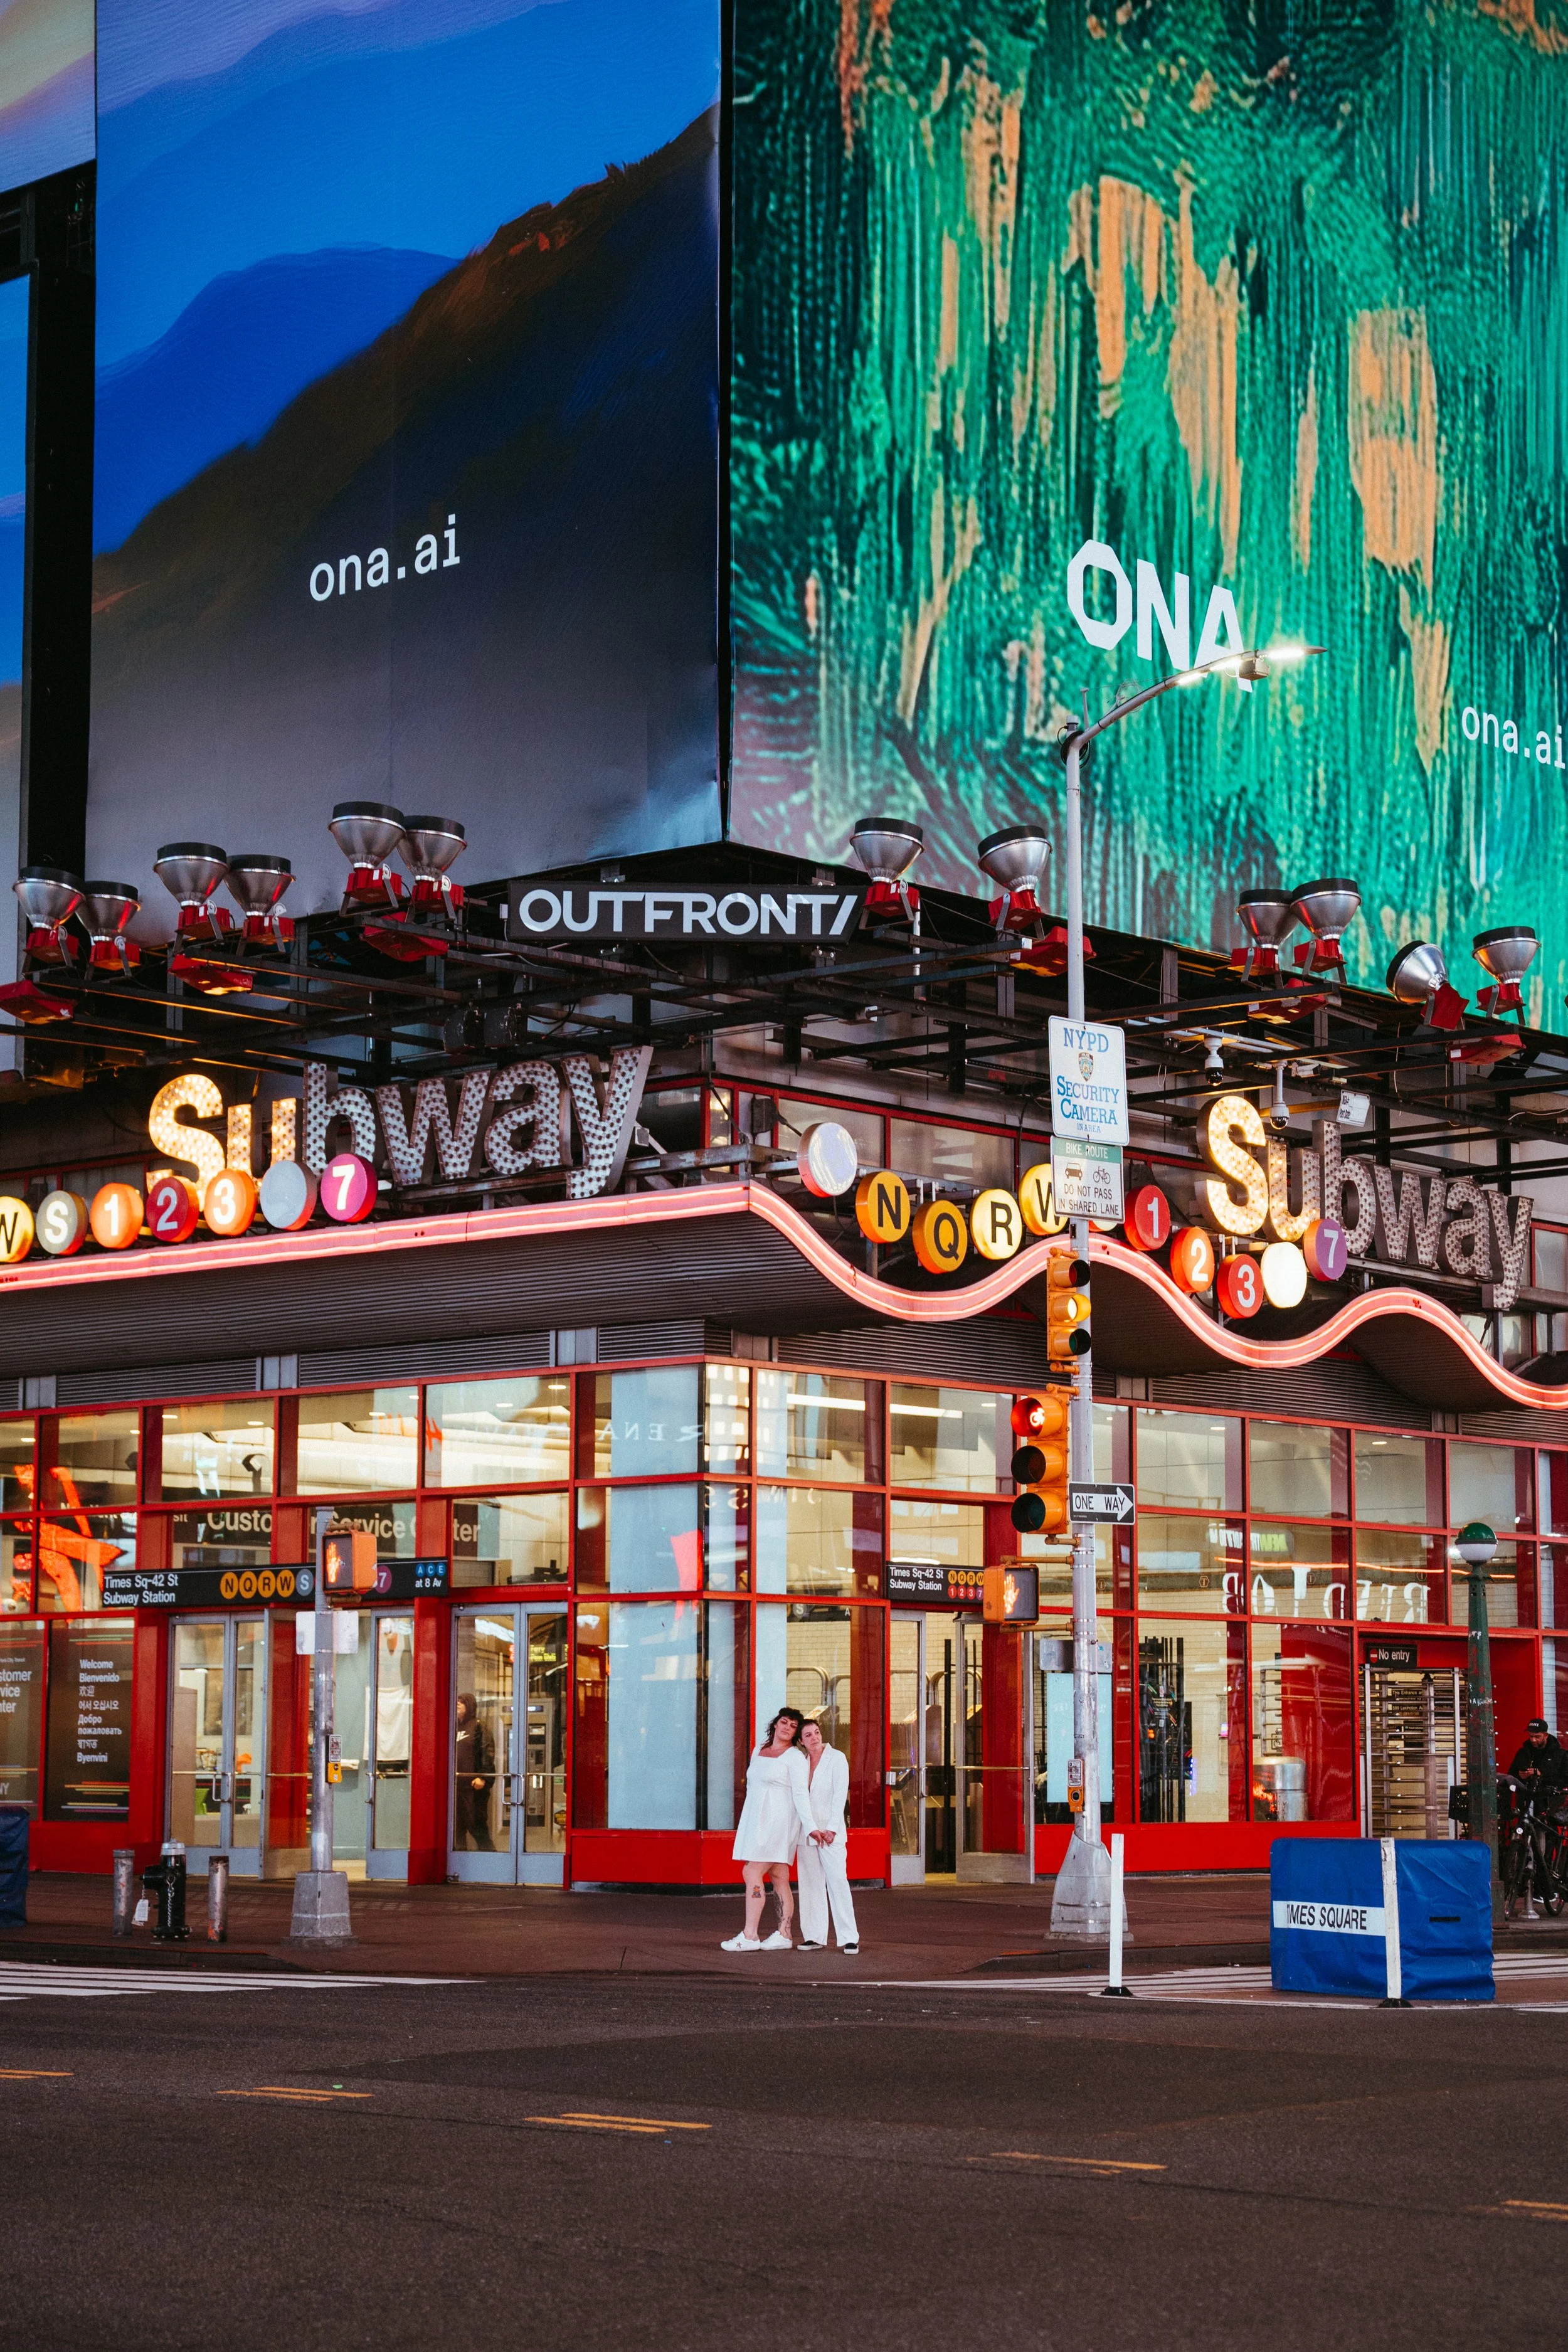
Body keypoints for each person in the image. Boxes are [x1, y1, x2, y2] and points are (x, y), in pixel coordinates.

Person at [723, 1707, 815, 1953]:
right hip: (756, 1821)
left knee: (751, 1871)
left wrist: (811, 1826)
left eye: (793, 1726)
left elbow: (800, 1794)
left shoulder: (795, 1757)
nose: (787, 1727)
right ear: (775, 1724)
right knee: (778, 1876)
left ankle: (750, 1935)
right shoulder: (759, 1751)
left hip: (778, 1823)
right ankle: (784, 1934)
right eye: (784, 1722)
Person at [795, 1716, 859, 1954]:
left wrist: (832, 1828)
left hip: (831, 1834)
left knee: (838, 1883)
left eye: (817, 1732)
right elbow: (799, 1799)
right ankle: (813, 1936)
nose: (815, 1738)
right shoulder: (800, 1763)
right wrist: (811, 1828)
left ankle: (849, 1937)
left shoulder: (837, 1758)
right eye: (808, 1735)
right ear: (801, 1741)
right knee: (810, 1885)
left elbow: (840, 1794)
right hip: (808, 1833)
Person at [453, 1692, 495, 1851]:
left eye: (462, 1702)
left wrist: (483, 1777)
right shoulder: (453, 1727)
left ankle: (490, 1857)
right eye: (457, 1702)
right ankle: (460, 1861)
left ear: (470, 1706)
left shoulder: (479, 1726)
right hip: (456, 1786)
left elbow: (487, 1752)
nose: (458, 1705)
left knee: (476, 1825)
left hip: (473, 1787)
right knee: (457, 1828)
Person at [1507, 1718, 1567, 1793]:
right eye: (1531, 1736)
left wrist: (1541, 1775)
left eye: (1537, 1737)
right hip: (1527, 1797)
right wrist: (1521, 1776)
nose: (1533, 1740)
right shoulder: (1523, 1752)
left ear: (1546, 1735)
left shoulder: (1559, 1754)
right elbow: (1511, 1775)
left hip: (1551, 1799)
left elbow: (1565, 1780)